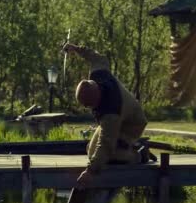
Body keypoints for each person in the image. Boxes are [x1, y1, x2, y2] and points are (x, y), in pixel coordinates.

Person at [63, 43, 148, 188]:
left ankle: (138, 154)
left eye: (90, 106)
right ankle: (126, 148)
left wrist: (90, 172)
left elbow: (106, 145)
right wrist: (76, 49)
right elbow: (96, 56)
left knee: (111, 156)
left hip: (132, 124)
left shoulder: (110, 112)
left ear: (97, 101)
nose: (89, 109)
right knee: (91, 151)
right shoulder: (99, 72)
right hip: (119, 117)